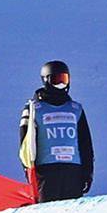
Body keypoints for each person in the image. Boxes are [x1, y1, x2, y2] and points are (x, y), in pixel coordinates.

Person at [19, 59, 93, 200]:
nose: (60, 85)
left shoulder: (75, 109)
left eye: (64, 79)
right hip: (46, 171)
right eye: (56, 80)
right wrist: (29, 171)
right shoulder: (34, 108)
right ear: (46, 80)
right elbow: (25, 143)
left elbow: (85, 143)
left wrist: (87, 173)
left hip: (73, 171)